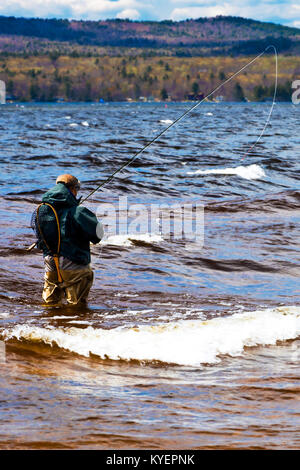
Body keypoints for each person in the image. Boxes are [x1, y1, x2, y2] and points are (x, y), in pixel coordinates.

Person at [32, 174, 103, 305]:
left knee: (50, 303)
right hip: (73, 262)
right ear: (72, 189)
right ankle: (72, 324)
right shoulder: (78, 211)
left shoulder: (43, 209)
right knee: (76, 305)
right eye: (77, 189)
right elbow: (98, 236)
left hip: (50, 262)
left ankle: (49, 324)